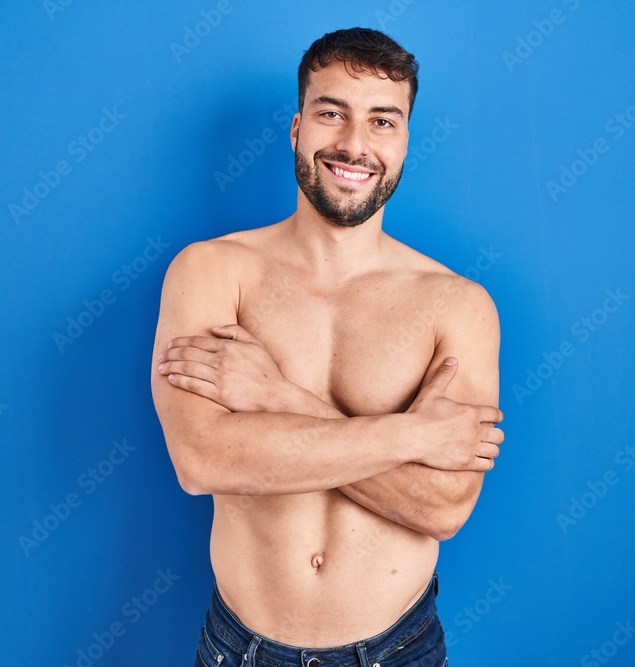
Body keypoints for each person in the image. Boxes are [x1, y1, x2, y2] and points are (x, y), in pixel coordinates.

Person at [151, 27, 503, 667]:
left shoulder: (459, 304)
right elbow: (202, 460)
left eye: (382, 121)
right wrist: (418, 435)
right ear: (296, 128)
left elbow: (445, 508)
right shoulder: (210, 272)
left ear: (404, 143)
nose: (354, 144)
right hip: (242, 647)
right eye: (331, 112)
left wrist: (276, 398)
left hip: (401, 647)